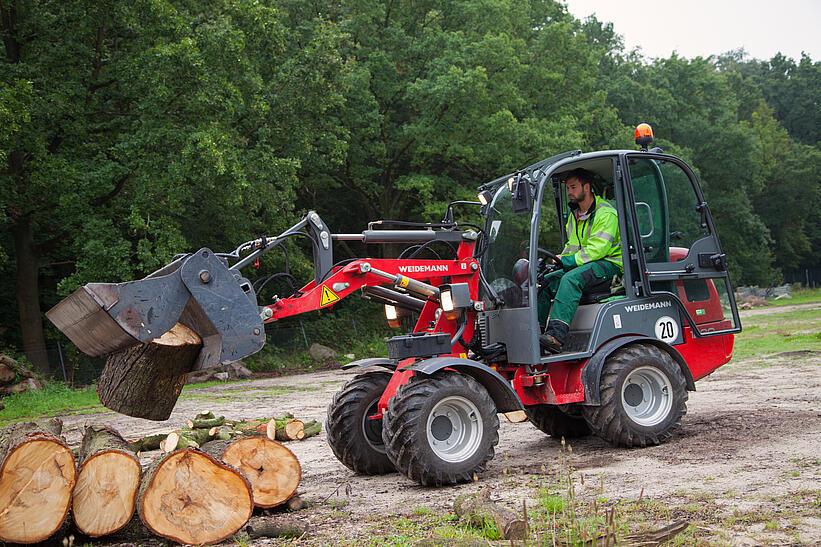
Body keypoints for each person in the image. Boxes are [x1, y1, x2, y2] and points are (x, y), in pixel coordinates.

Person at [539, 168, 623, 353]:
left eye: (573, 187)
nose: (569, 191)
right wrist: (557, 261)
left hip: (610, 265)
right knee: (546, 282)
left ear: (587, 187)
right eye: (568, 188)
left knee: (570, 279)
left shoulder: (606, 214)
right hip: (588, 263)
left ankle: (556, 336)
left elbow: (598, 249)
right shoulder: (574, 216)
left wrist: (567, 261)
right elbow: (572, 246)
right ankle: (535, 332)